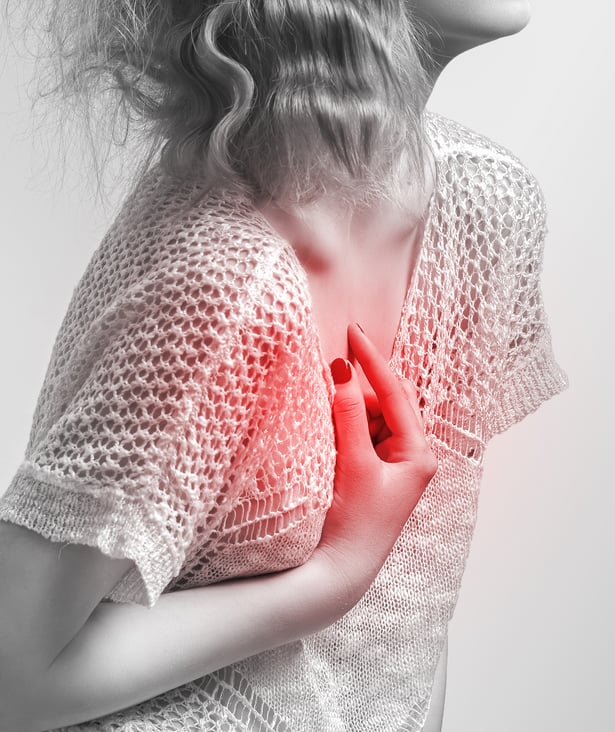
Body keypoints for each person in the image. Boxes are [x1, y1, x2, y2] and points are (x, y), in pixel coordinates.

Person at [0, 1, 567, 730]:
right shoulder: (220, 279)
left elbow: (406, 631)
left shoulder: (487, 208)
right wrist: (329, 581)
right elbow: (11, 676)